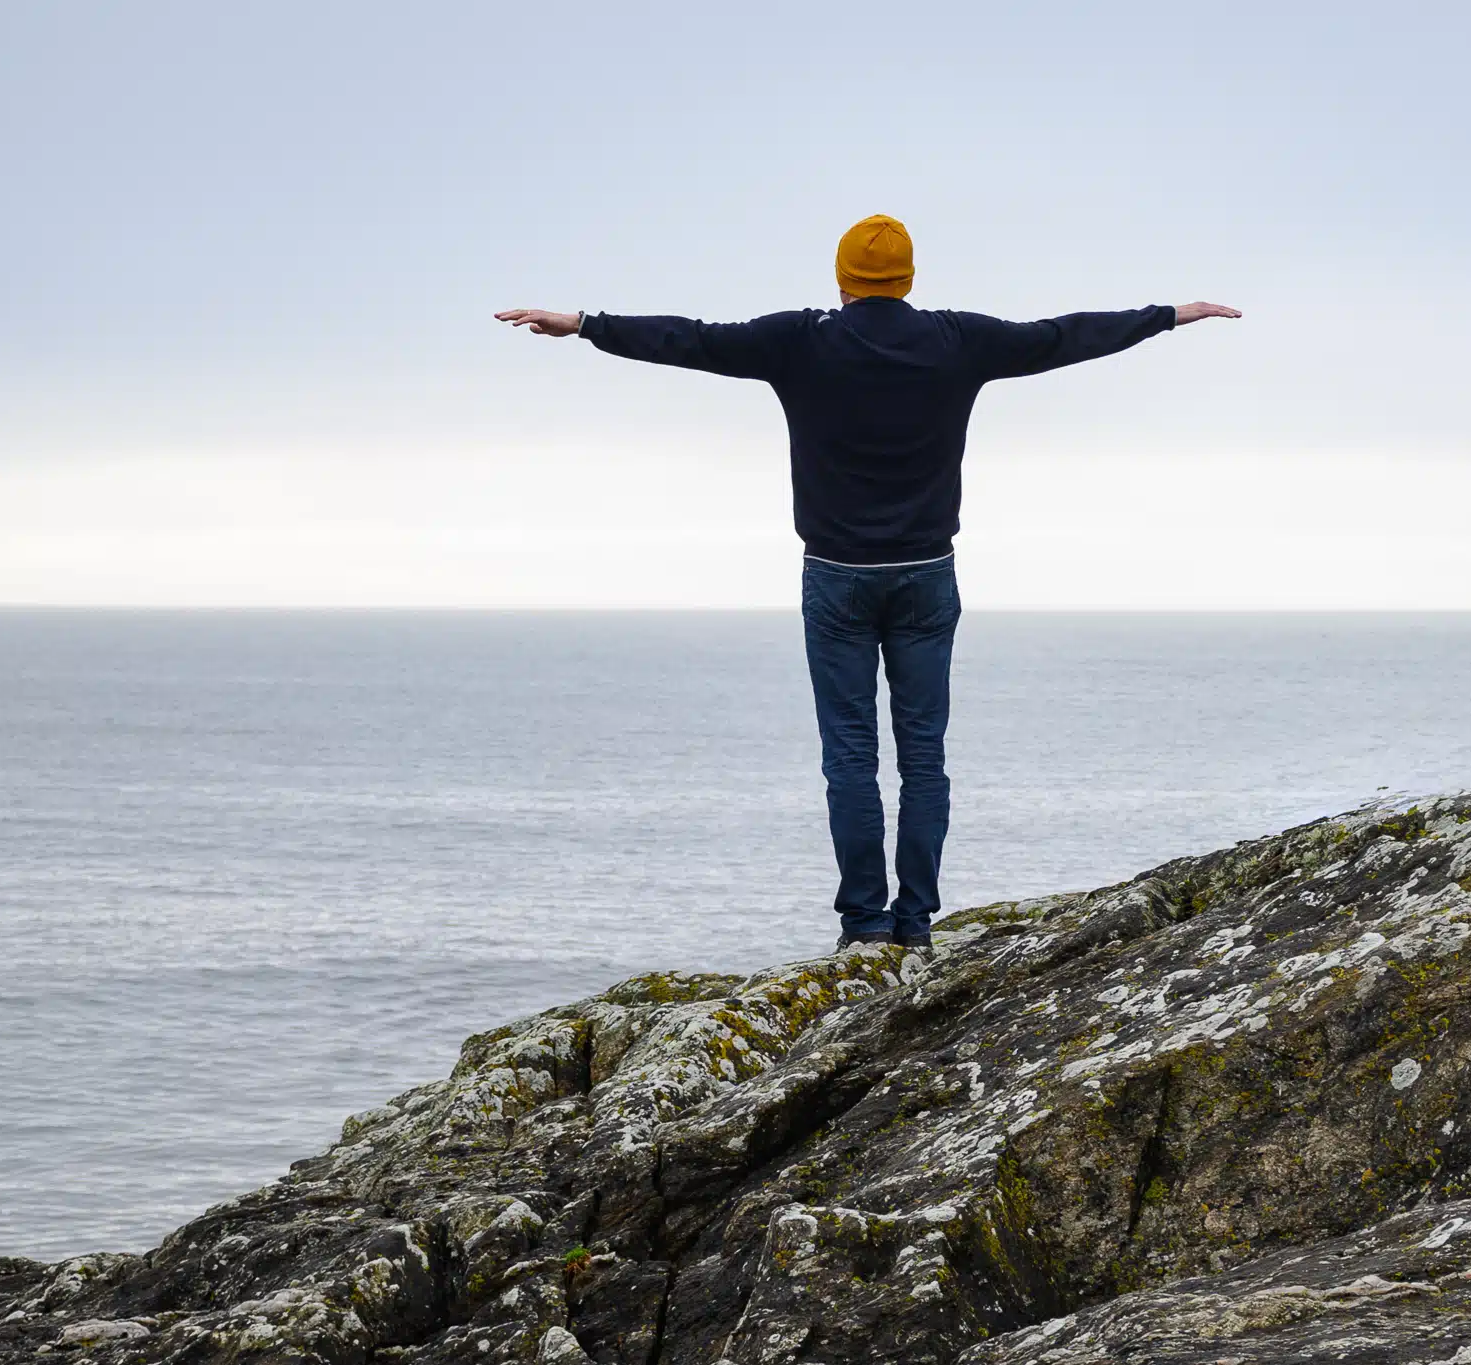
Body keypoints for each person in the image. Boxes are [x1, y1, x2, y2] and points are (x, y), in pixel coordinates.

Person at [496, 213, 1240, 953]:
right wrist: (1168, 316)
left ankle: (863, 925)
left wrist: (585, 323)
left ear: (842, 279)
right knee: (923, 757)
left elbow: (690, 338)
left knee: (849, 756)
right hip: (926, 577)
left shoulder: (800, 340)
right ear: (908, 279)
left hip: (836, 579)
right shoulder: (956, 340)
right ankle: (914, 925)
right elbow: (1061, 336)